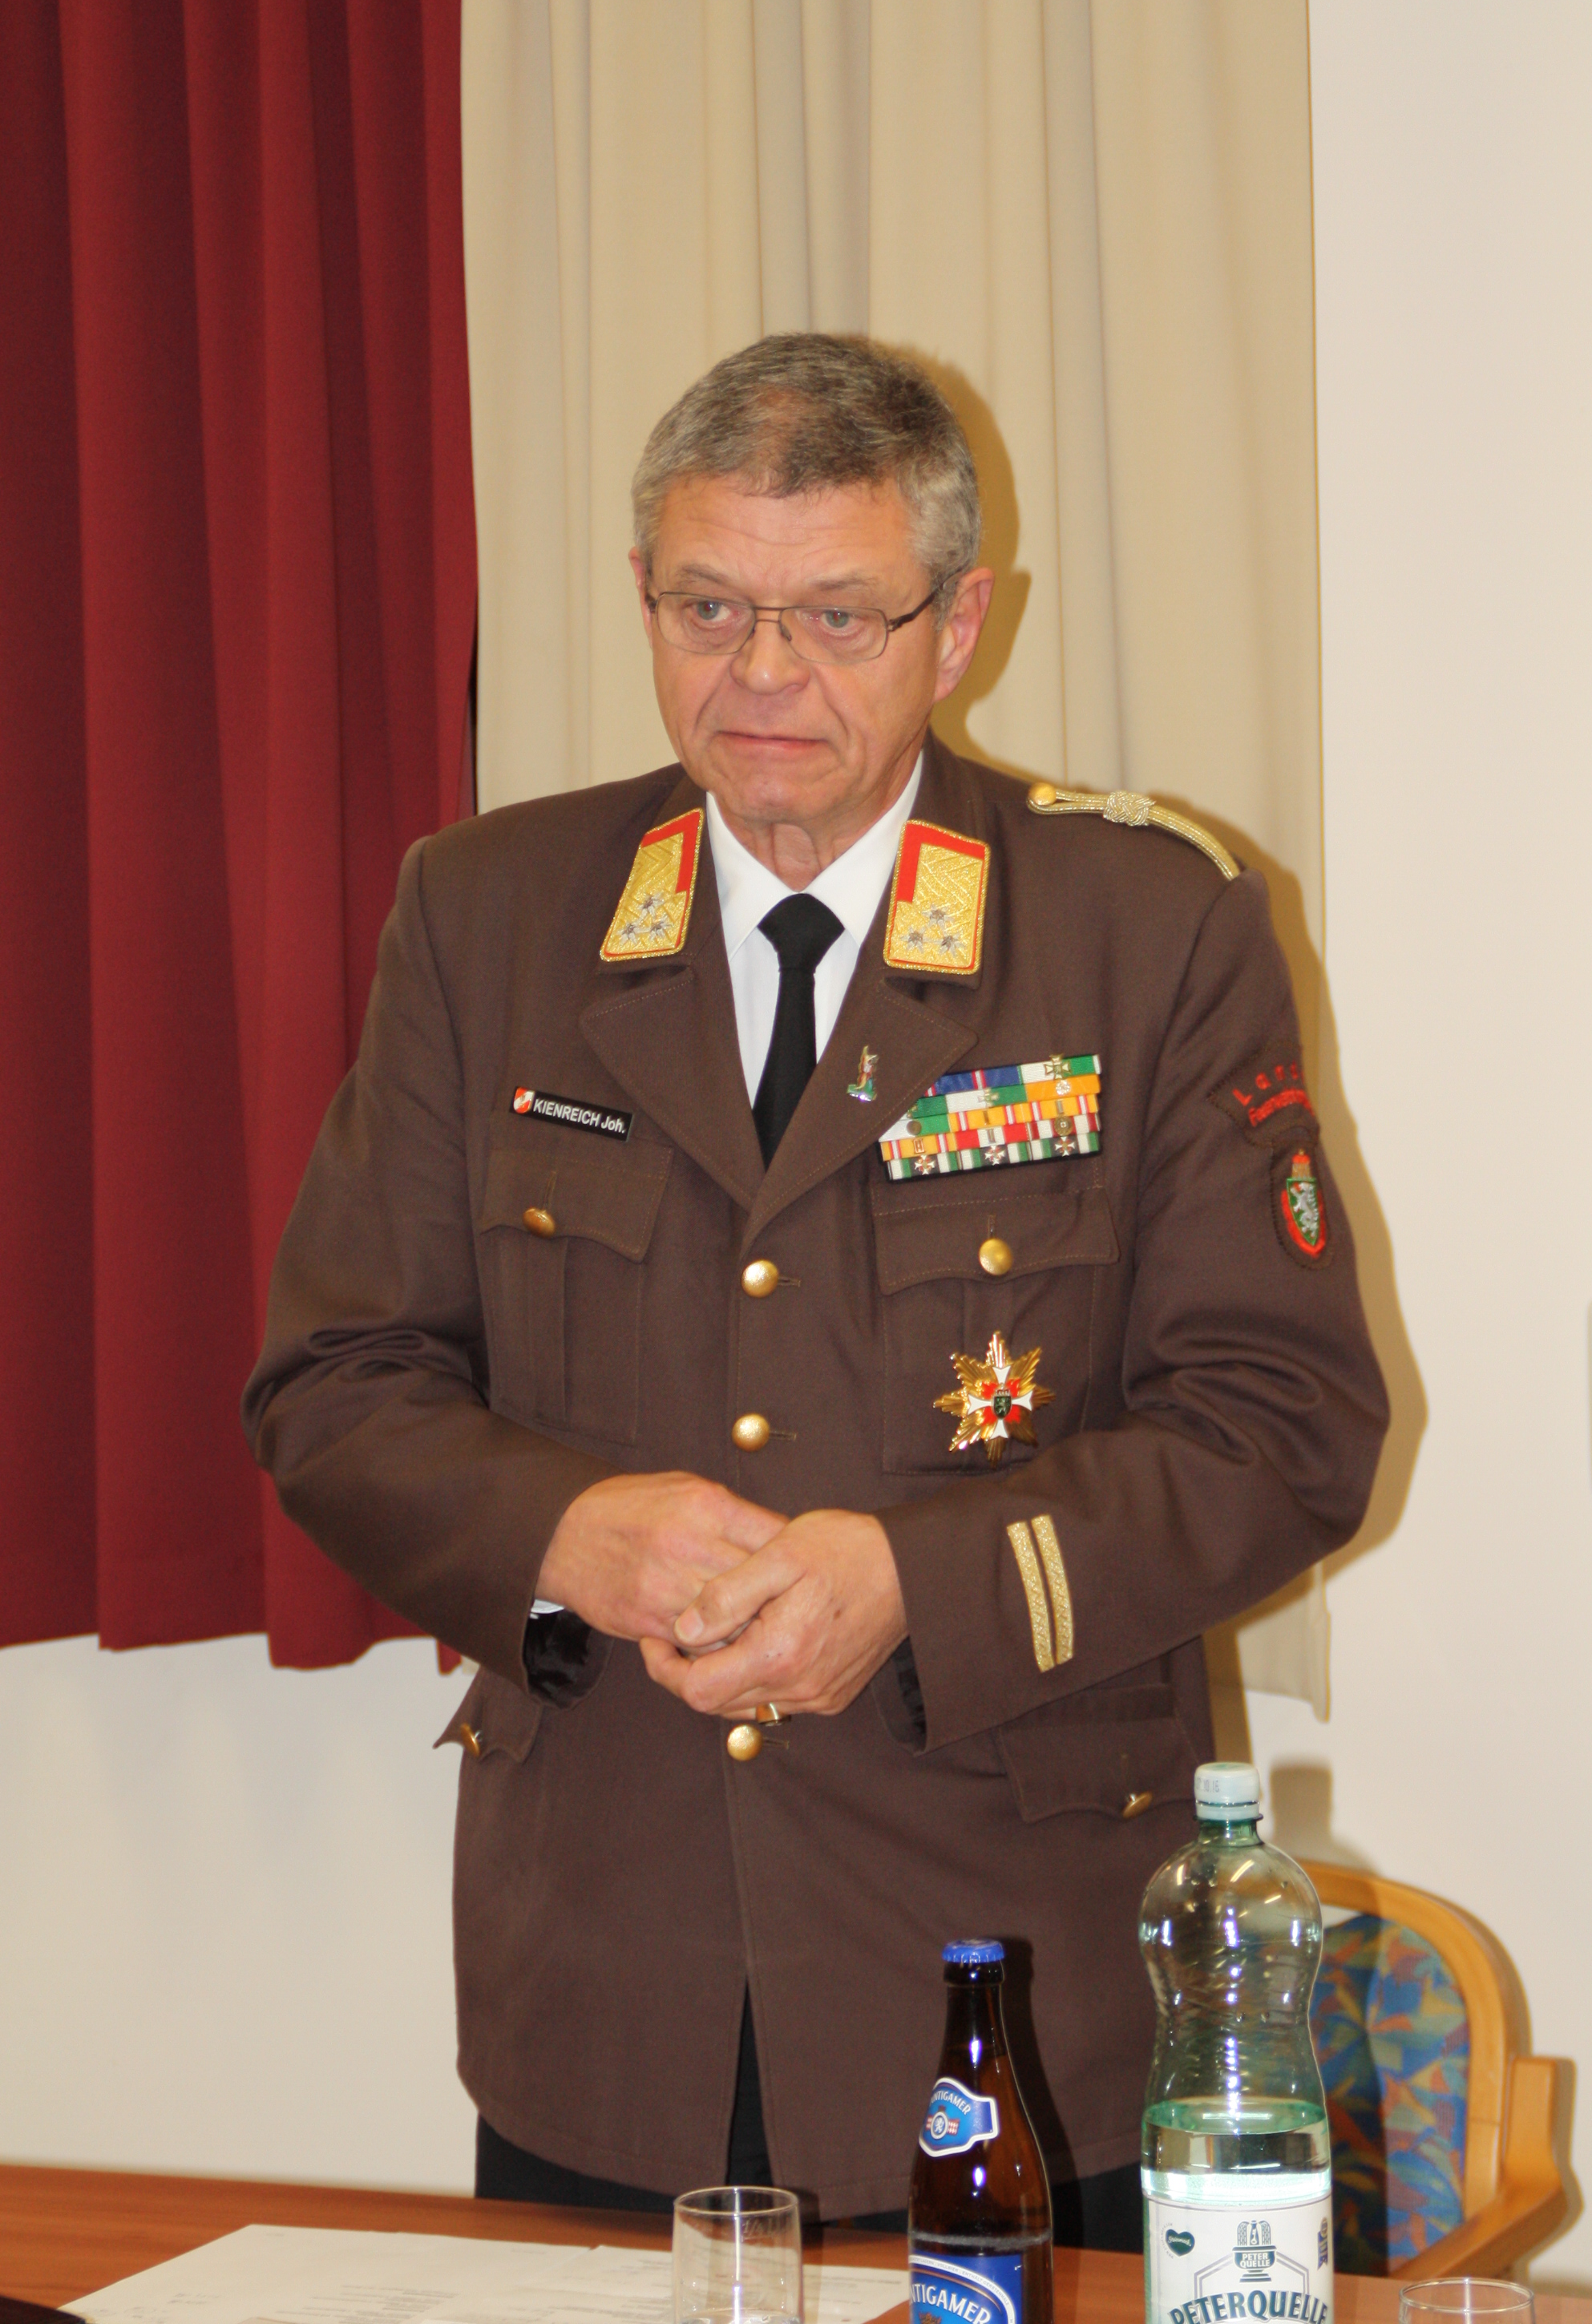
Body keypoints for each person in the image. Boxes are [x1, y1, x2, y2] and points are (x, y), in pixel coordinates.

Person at [243, 333, 1387, 2241]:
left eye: (837, 615)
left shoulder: (1139, 929)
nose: (762, 671)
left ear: (958, 623)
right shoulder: (492, 912)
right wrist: (568, 1534)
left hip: (1008, 1980)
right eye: (709, 605)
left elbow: (1281, 1427)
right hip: (606, 1974)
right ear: (640, 595)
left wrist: (914, 1584)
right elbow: (334, 1380)